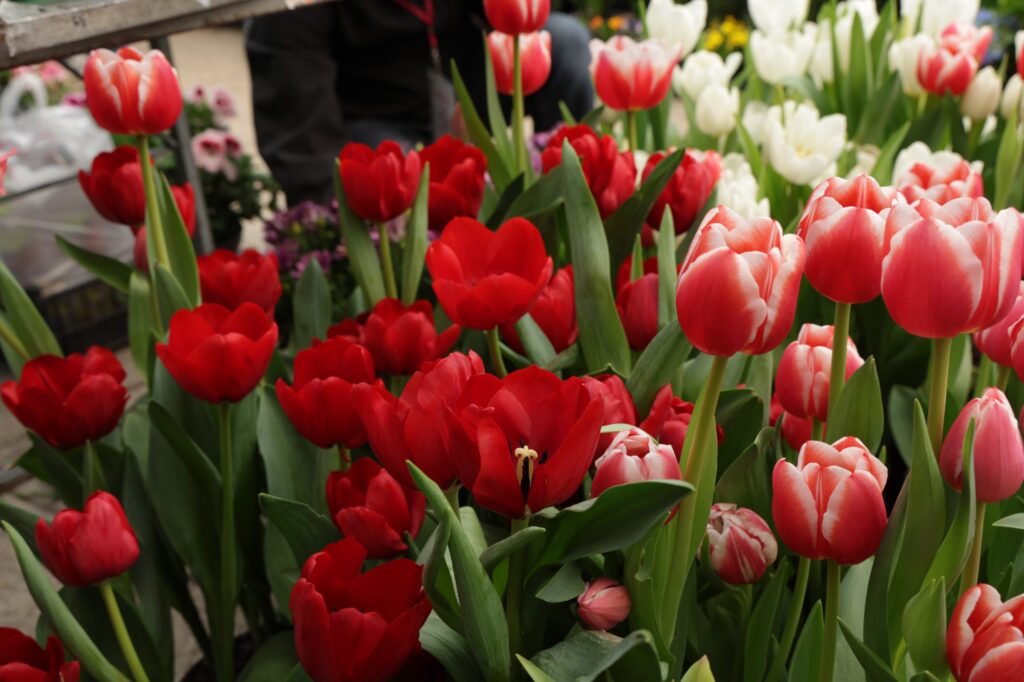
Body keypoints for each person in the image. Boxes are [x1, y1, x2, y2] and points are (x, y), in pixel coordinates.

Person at [246, 1, 593, 205]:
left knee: (563, 41)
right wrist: (333, 223)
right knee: (395, 169)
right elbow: (295, 113)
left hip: (465, 95)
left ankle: (576, 196)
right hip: (370, 117)